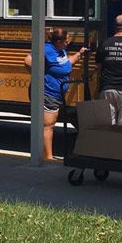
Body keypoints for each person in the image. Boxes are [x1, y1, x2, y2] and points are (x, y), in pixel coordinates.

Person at [24, 28, 88, 160]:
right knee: (48, 125)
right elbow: (28, 60)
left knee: (50, 125)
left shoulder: (60, 50)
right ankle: (48, 157)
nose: (68, 42)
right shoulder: (47, 50)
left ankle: (47, 155)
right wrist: (39, 77)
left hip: (56, 93)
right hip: (48, 93)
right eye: (66, 40)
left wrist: (79, 54)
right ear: (58, 41)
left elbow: (66, 64)